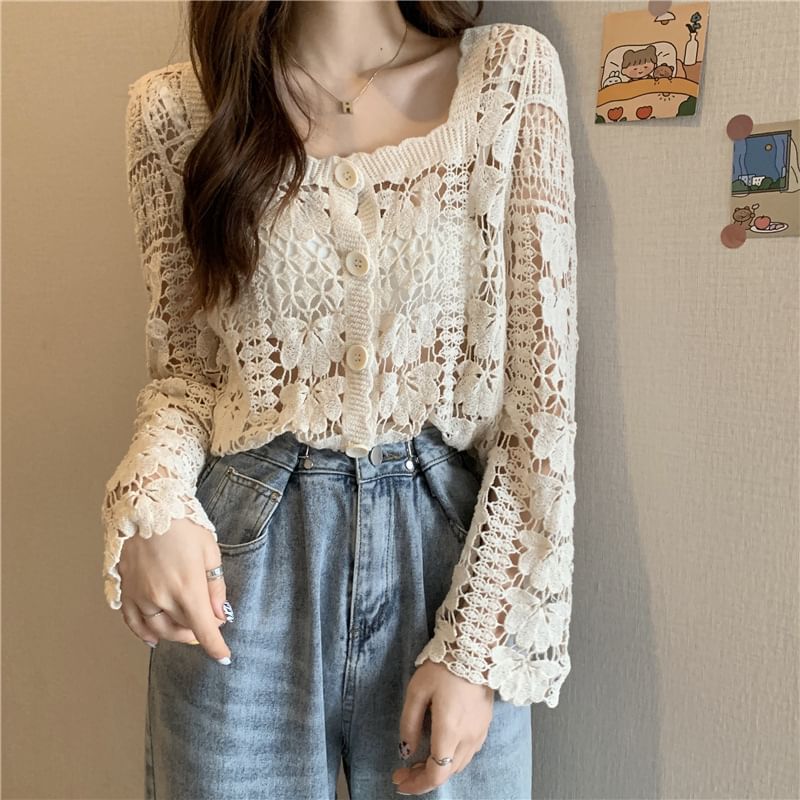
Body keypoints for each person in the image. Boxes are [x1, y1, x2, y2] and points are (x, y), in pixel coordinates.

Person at [100, 2, 579, 798]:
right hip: (243, 564)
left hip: (446, 564)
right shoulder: (176, 111)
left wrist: (477, 646)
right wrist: (154, 500)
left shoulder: (506, 78)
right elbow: (186, 377)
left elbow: (539, 412)